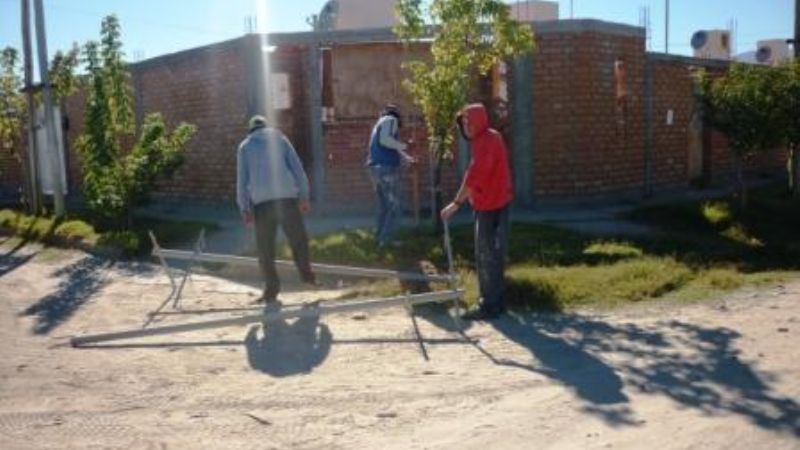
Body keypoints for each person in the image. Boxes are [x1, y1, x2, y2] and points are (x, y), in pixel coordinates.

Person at [441, 103, 513, 321]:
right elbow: (473, 174)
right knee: (494, 255)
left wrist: (455, 203)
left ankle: (488, 305)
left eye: (469, 122)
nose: (466, 126)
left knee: (486, 256)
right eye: (463, 123)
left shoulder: (486, 142)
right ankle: (497, 303)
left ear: (479, 121)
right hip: (496, 202)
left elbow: (475, 177)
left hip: (491, 206)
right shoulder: (489, 138)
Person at [236, 115, 317, 303]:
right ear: (267, 126)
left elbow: (242, 181)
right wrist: (304, 196)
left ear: (250, 130)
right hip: (287, 199)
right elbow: (298, 169)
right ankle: (308, 278)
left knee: (265, 249)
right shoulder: (281, 140)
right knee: (298, 240)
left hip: (262, 204)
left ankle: (271, 291)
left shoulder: (245, 147)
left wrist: (245, 209)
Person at [366, 104, 415, 247]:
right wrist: (404, 146)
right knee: (395, 206)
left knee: (384, 206)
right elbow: (386, 141)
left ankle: (380, 237)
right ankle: (386, 240)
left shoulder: (379, 124)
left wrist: (406, 157)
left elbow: (389, 146)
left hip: (375, 170)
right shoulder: (390, 120)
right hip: (386, 170)